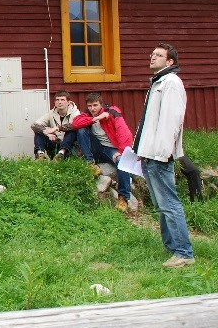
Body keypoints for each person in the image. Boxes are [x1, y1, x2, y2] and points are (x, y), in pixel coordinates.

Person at [133, 44, 195, 268]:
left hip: (159, 156)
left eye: (158, 55)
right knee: (161, 205)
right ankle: (171, 247)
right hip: (149, 154)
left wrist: (160, 153)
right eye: (151, 54)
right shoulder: (158, 83)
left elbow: (171, 122)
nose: (152, 57)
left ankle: (184, 253)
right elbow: (149, 123)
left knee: (170, 204)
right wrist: (140, 149)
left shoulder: (171, 83)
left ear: (170, 62)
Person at [72, 93, 133, 212]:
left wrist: (121, 151)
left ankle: (123, 198)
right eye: (90, 106)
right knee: (81, 131)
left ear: (101, 104)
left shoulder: (112, 112)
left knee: (122, 162)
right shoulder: (87, 114)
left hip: (111, 149)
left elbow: (124, 133)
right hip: (97, 147)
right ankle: (90, 162)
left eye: (95, 105)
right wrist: (95, 118)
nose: (92, 108)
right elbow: (75, 123)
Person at [30, 90, 92, 161]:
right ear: (55, 102)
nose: (59, 102)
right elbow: (34, 125)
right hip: (56, 143)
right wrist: (46, 133)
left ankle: (61, 153)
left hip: (70, 147)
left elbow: (73, 125)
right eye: (57, 100)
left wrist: (56, 128)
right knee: (39, 132)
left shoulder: (75, 112)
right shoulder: (51, 113)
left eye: (62, 100)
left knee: (71, 131)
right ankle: (40, 155)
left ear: (68, 102)